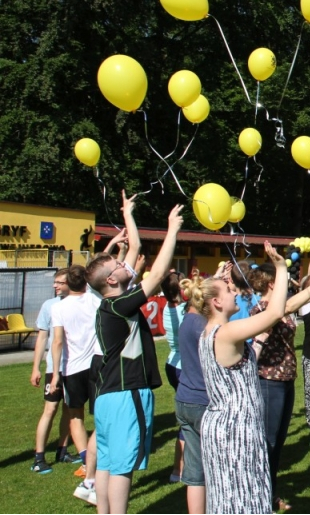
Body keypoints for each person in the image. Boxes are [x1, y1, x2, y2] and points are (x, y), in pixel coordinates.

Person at [86, 195, 183, 514]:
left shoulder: (111, 302)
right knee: (121, 467)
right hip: (125, 394)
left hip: (105, 396)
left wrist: (128, 214)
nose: (125, 261)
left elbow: (137, 248)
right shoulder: (119, 305)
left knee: (107, 462)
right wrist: (171, 231)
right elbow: (155, 276)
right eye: (118, 264)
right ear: (112, 280)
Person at [196, 241, 290, 514]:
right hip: (234, 432)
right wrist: (281, 267)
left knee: (231, 500)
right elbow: (274, 312)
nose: (235, 292)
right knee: (242, 501)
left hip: (229, 428)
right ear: (216, 302)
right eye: (228, 290)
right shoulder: (225, 332)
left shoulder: (213, 333)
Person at [253, 240, 310, 513]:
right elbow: (291, 304)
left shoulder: (282, 306)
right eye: (281, 278)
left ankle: (270, 494)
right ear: (272, 284)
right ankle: (260, 497)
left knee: (277, 444)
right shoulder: (263, 310)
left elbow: (300, 299)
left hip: (285, 381)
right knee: (268, 443)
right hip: (269, 382)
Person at [50, 262, 103, 505]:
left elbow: (58, 341)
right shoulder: (95, 300)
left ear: (67, 284)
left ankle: (85, 461)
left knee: (75, 416)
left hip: (72, 368)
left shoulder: (60, 307)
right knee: (100, 414)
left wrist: (55, 374)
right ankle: (96, 458)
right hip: (96, 364)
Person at [29, 268, 73, 474]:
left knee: (69, 409)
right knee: (50, 409)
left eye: (59, 282)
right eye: (54, 282)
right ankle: (39, 457)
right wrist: (36, 367)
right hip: (53, 367)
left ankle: (62, 450)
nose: (55, 286)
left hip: (74, 367)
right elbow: (42, 338)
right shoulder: (50, 305)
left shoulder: (79, 302)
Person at [174, 275, 210, 514]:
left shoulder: (187, 319)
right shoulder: (204, 327)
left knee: (195, 471)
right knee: (216, 468)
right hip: (204, 402)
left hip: (185, 397)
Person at [161, 270, 186, 483]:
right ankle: (179, 469)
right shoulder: (185, 310)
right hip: (183, 367)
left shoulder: (166, 309)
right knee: (188, 420)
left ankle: (178, 469)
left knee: (185, 418)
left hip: (172, 363)